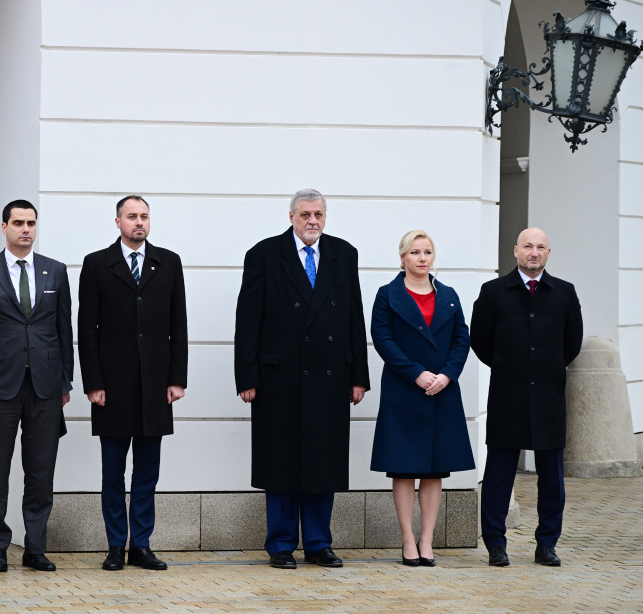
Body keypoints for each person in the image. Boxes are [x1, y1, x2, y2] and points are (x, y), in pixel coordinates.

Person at [234, 188, 370, 570]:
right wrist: (247, 375)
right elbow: (248, 320)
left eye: (319, 214)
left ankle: (317, 543)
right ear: (291, 216)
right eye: (306, 214)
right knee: (280, 462)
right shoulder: (263, 254)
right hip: (279, 377)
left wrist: (358, 374)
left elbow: (354, 317)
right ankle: (279, 544)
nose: (313, 221)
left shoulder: (344, 253)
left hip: (329, 377)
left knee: (322, 461)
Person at [78, 195, 188, 571]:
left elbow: (179, 326)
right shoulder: (96, 264)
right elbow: (86, 330)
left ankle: (141, 544)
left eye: (144, 217)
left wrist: (177, 379)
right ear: (117, 222)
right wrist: (93, 381)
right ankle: (114, 545)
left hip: (156, 386)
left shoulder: (168, 262)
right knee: (113, 472)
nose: (138, 223)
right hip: (112, 387)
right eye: (131, 217)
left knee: (147, 471)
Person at [0, 200, 73, 573]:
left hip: (44, 386)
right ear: (4, 226)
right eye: (18, 223)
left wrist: (65, 380)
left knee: (40, 472)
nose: (25, 229)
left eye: (31, 223)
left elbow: (63, 330)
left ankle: (36, 546)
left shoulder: (55, 272)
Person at [471, 227, 583, 567]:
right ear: (515, 251)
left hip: (549, 397)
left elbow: (571, 344)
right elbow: (481, 341)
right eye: (527, 246)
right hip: (508, 395)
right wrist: (510, 366)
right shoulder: (492, 292)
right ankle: (495, 544)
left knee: (552, 478)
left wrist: (543, 368)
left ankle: (547, 544)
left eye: (540, 247)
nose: (534, 252)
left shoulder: (564, 293)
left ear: (549, 252)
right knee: (499, 475)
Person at [369, 230, 475, 567]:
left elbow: (462, 338)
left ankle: (427, 539)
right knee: (404, 469)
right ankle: (406, 539)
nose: (422, 258)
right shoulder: (387, 295)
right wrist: (416, 372)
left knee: (434, 471)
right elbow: (383, 339)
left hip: (441, 392)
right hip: (404, 391)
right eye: (414, 252)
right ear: (402, 257)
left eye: (427, 252)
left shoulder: (449, 295)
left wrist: (447, 374)